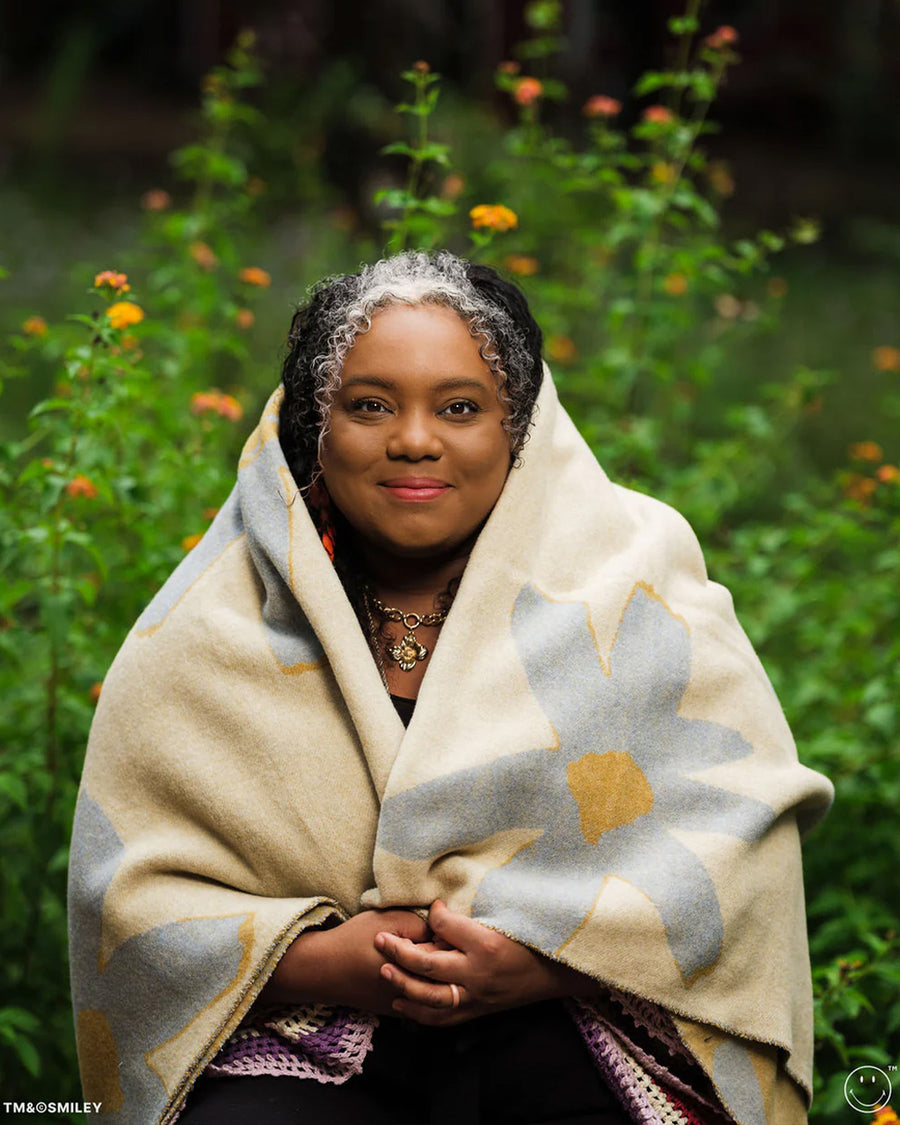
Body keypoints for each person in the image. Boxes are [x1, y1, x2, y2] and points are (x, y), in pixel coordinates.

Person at [68, 251, 833, 1125]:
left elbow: (742, 847)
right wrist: (329, 960)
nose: (415, 439)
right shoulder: (212, 623)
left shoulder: (636, 581)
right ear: (315, 427)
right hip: (302, 1030)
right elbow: (126, 900)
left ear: (521, 428)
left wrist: (550, 958)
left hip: (581, 1016)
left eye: (460, 406)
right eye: (369, 405)